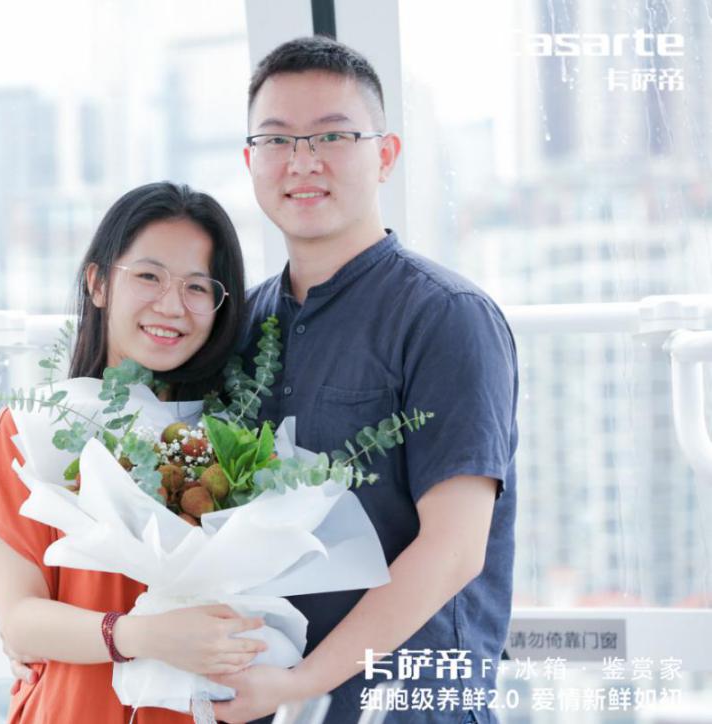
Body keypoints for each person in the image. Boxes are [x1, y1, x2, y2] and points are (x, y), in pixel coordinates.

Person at [207, 37, 519, 724]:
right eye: (277, 139)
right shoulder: (236, 327)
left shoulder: (447, 317)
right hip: (262, 704)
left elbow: (454, 551)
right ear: (250, 161)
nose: (303, 161)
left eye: (333, 135)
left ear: (385, 155)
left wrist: (301, 683)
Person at [0, 181, 263, 724]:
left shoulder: (237, 444)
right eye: (148, 277)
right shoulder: (32, 429)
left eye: (197, 287)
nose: (171, 305)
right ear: (97, 283)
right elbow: (19, 620)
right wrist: (146, 637)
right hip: (75, 708)